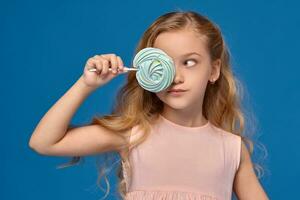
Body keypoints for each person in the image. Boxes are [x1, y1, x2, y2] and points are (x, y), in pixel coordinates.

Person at [29, 10, 269, 200]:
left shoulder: (232, 149)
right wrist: (86, 84)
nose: (176, 77)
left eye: (189, 62)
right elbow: (44, 142)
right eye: (163, 63)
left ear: (214, 70)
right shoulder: (135, 134)